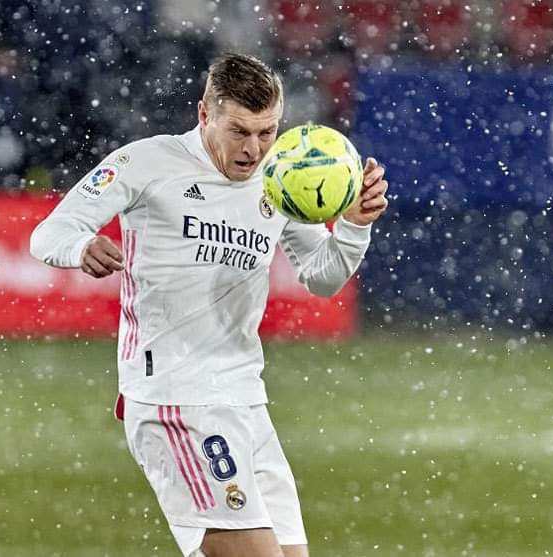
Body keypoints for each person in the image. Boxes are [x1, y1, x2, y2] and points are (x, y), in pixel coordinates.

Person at [30, 53, 388, 557]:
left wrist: (354, 226)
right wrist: (80, 246)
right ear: (204, 114)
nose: (253, 148)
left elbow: (322, 277)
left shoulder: (278, 178)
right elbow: (50, 232)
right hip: (175, 397)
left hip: (245, 398)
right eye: (238, 131)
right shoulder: (148, 162)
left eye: (266, 132)